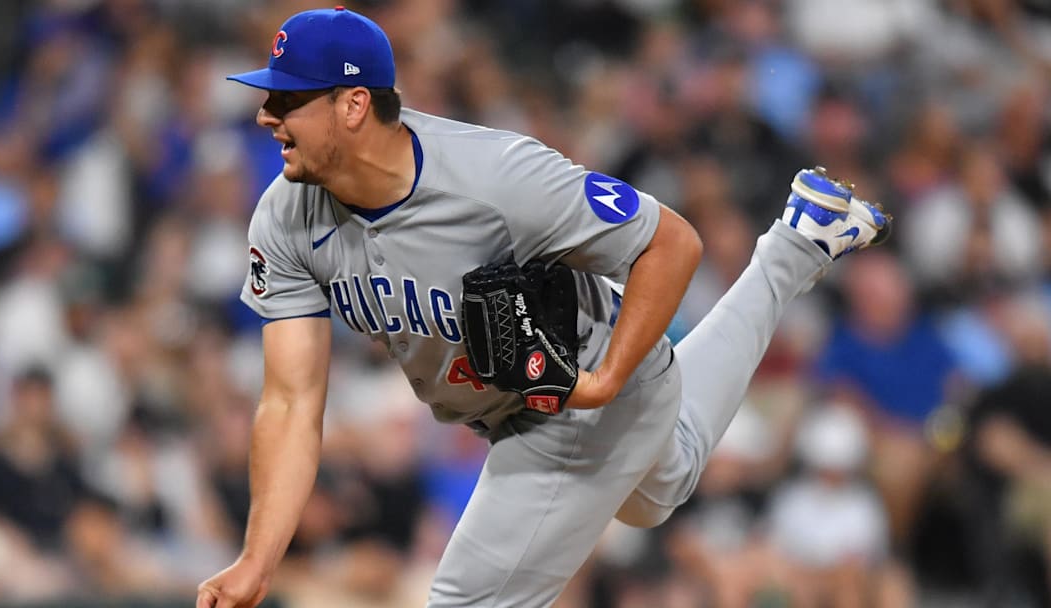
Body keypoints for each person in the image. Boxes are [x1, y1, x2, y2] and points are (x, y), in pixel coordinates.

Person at [195, 7, 891, 608]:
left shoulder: (496, 179)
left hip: (577, 387)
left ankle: (765, 274)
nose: (266, 115)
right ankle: (799, 242)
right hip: (526, 403)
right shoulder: (285, 220)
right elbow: (289, 402)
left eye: (287, 101)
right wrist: (259, 558)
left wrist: (608, 380)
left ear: (352, 105)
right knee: (661, 484)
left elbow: (671, 243)